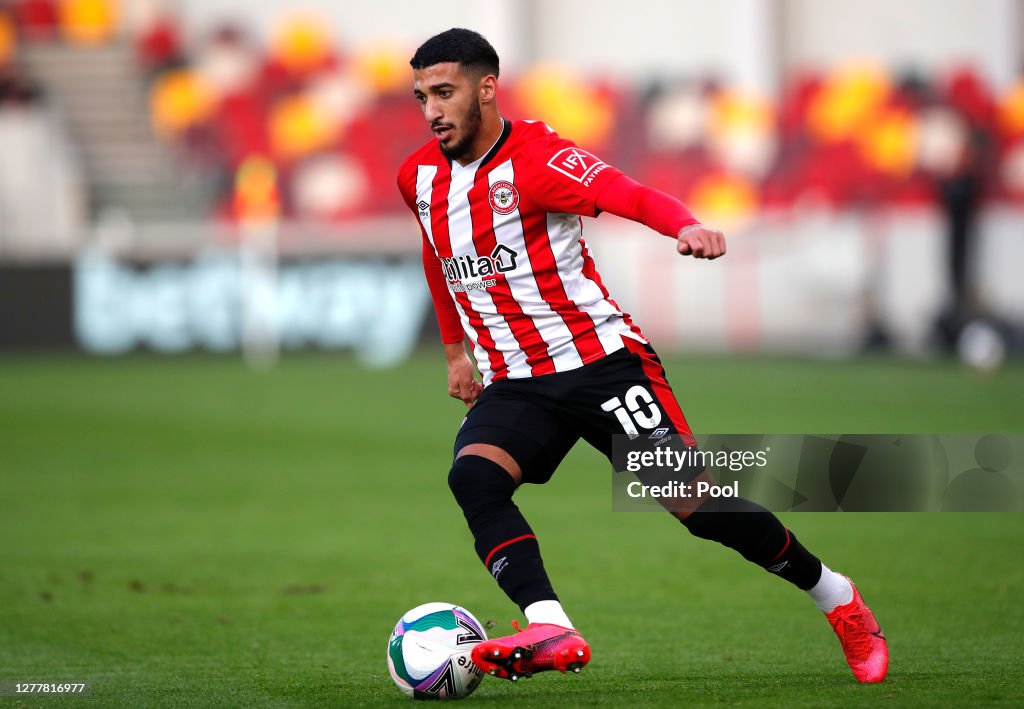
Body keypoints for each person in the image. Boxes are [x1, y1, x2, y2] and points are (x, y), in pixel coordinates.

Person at [396, 28, 887, 685]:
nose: (432, 110)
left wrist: (683, 222)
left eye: (445, 92)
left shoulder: (539, 159)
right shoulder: (418, 177)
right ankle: (551, 624)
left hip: (601, 364)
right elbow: (436, 249)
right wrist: (455, 350)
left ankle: (836, 594)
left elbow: (626, 192)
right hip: (516, 380)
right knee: (474, 477)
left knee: (699, 508)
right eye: (423, 95)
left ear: (487, 88)